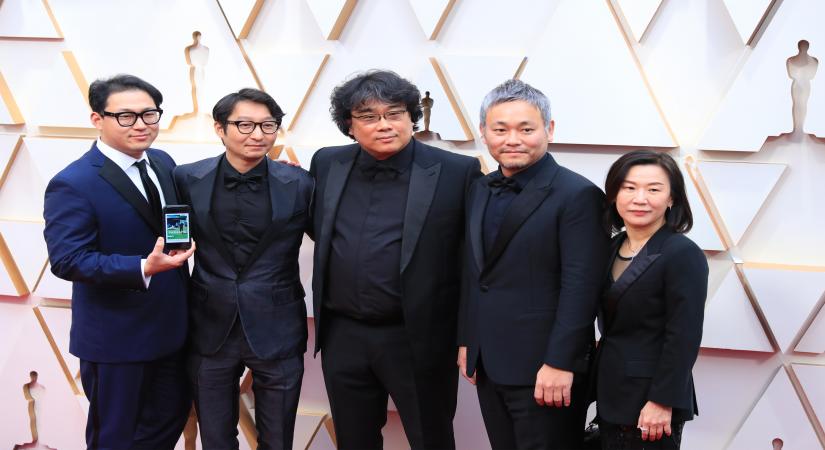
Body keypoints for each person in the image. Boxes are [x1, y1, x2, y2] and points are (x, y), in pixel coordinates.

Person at [309, 70, 482, 450]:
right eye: (369, 117)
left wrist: (469, 335)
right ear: (348, 126)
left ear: (411, 117)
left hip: (417, 335)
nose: (385, 125)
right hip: (343, 334)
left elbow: (473, 261)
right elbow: (316, 228)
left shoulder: (457, 171)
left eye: (395, 113)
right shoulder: (327, 163)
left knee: (431, 437)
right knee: (353, 440)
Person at [43, 74, 194, 449]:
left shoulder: (161, 162)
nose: (141, 125)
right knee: (116, 439)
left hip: (173, 332)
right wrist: (142, 267)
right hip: (117, 341)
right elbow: (68, 260)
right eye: (125, 116)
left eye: (149, 114)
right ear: (97, 119)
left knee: (165, 430)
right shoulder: (73, 182)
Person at [457, 79, 608, 450]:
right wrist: (467, 340)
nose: (513, 139)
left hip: (546, 369)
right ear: (483, 133)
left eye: (526, 129)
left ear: (549, 129)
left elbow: (581, 288)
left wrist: (561, 362)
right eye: (500, 129)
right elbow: (474, 273)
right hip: (490, 361)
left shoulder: (579, 195)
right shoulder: (479, 187)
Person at [173, 88, 313, 449]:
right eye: (245, 124)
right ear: (220, 129)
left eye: (268, 125)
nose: (257, 134)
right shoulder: (186, 178)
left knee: (278, 439)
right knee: (216, 439)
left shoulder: (301, 183)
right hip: (208, 327)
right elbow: (172, 240)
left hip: (278, 325)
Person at [594, 150, 708, 449]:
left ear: (672, 199)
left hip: (652, 398)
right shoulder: (610, 246)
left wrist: (662, 400)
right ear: (614, 194)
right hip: (611, 390)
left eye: (654, 189)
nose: (639, 198)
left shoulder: (682, 253)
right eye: (629, 188)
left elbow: (684, 335)